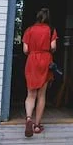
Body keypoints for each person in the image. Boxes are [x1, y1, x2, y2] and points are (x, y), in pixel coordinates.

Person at [22, 7, 57, 137]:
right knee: (41, 95)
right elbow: (53, 47)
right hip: (45, 60)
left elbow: (25, 50)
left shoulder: (29, 30)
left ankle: (28, 118)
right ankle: (37, 126)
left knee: (31, 94)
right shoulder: (51, 30)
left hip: (32, 60)